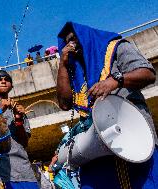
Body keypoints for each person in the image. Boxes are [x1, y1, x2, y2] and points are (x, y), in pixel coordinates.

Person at [53, 21, 158, 189]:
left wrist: (116, 80)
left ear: (85, 35)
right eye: (66, 43)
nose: (70, 45)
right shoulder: (74, 69)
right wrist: (63, 64)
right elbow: (65, 104)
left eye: (74, 39)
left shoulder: (115, 47)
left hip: (132, 140)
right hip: (95, 155)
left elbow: (148, 73)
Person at [0, 70, 39, 189]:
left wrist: (19, 120)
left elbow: (24, 143)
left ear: (12, 86)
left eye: (7, 79)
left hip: (23, 173)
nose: (4, 81)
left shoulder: (19, 110)